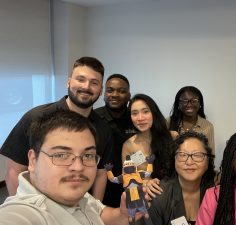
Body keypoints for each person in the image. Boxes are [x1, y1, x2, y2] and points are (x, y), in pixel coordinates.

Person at [0, 56, 114, 201]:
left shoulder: (103, 128)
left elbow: (100, 173)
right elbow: (14, 171)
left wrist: (96, 214)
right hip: (39, 208)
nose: (86, 87)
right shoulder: (35, 117)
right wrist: (28, 211)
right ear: (68, 82)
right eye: (80, 79)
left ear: (100, 89)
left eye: (94, 83)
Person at [0, 110, 134, 225]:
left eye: (88, 155)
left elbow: (98, 212)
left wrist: (122, 214)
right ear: (33, 160)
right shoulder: (20, 214)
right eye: (62, 155)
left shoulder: (78, 192)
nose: (78, 167)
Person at [148, 131, 216, 225]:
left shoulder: (218, 193)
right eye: (182, 155)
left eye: (197, 155)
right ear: (174, 160)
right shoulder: (158, 195)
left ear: (208, 161)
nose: (189, 162)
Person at [122, 94, 178, 198]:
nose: (140, 118)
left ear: (154, 113)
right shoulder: (129, 145)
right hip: (147, 198)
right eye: (134, 113)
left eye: (145, 111)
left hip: (173, 196)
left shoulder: (173, 137)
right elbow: (127, 180)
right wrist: (145, 183)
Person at [95, 74, 136, 207]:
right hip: (100, 183)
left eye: (121, 91)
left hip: (131, 182)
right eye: (110, 90)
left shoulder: (136, 118)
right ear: (104, 94)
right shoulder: (93, 118)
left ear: (129, 95)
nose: (115, 94)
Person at [168, 86, 215, 152]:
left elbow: (210, 155)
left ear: (200, 103)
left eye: (194, 101)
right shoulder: (167, 123)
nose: (189, 104)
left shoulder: (207, 126)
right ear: (178, 104)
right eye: (184, 101)